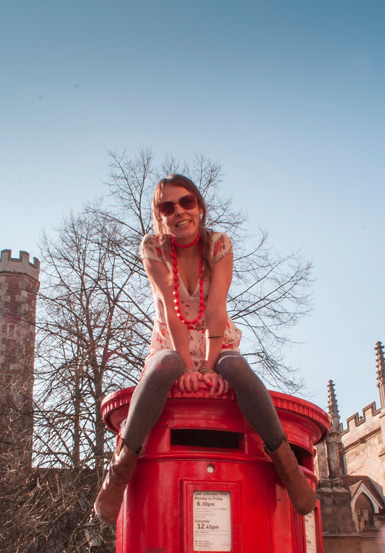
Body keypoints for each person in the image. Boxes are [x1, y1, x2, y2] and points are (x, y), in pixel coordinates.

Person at [92, 175, 315, 522]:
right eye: (168, 207)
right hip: (171, 340)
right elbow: (170, 310)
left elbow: (215, 309)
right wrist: (186, 368)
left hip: (216, 339)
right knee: (163, 369)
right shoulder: (153, 248)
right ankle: (120, 470)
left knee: (239, 371)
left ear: (199, 205)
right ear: (159, 215)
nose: (179, 212)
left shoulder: (218, 245)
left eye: (187, 202)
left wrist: (208, 369)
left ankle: (287, 467)